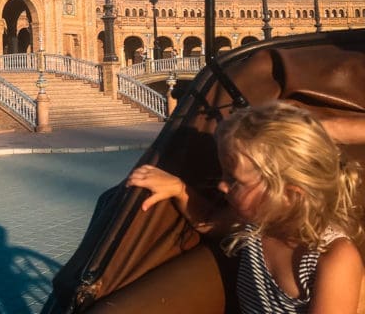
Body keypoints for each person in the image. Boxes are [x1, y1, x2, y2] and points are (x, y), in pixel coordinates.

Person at [127, 101, 364, 313]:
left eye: (234, 180)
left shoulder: (333, 258)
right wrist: (179, 189)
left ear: (288, 194)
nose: (221, 185)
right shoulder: (257, 224)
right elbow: (209, 223)